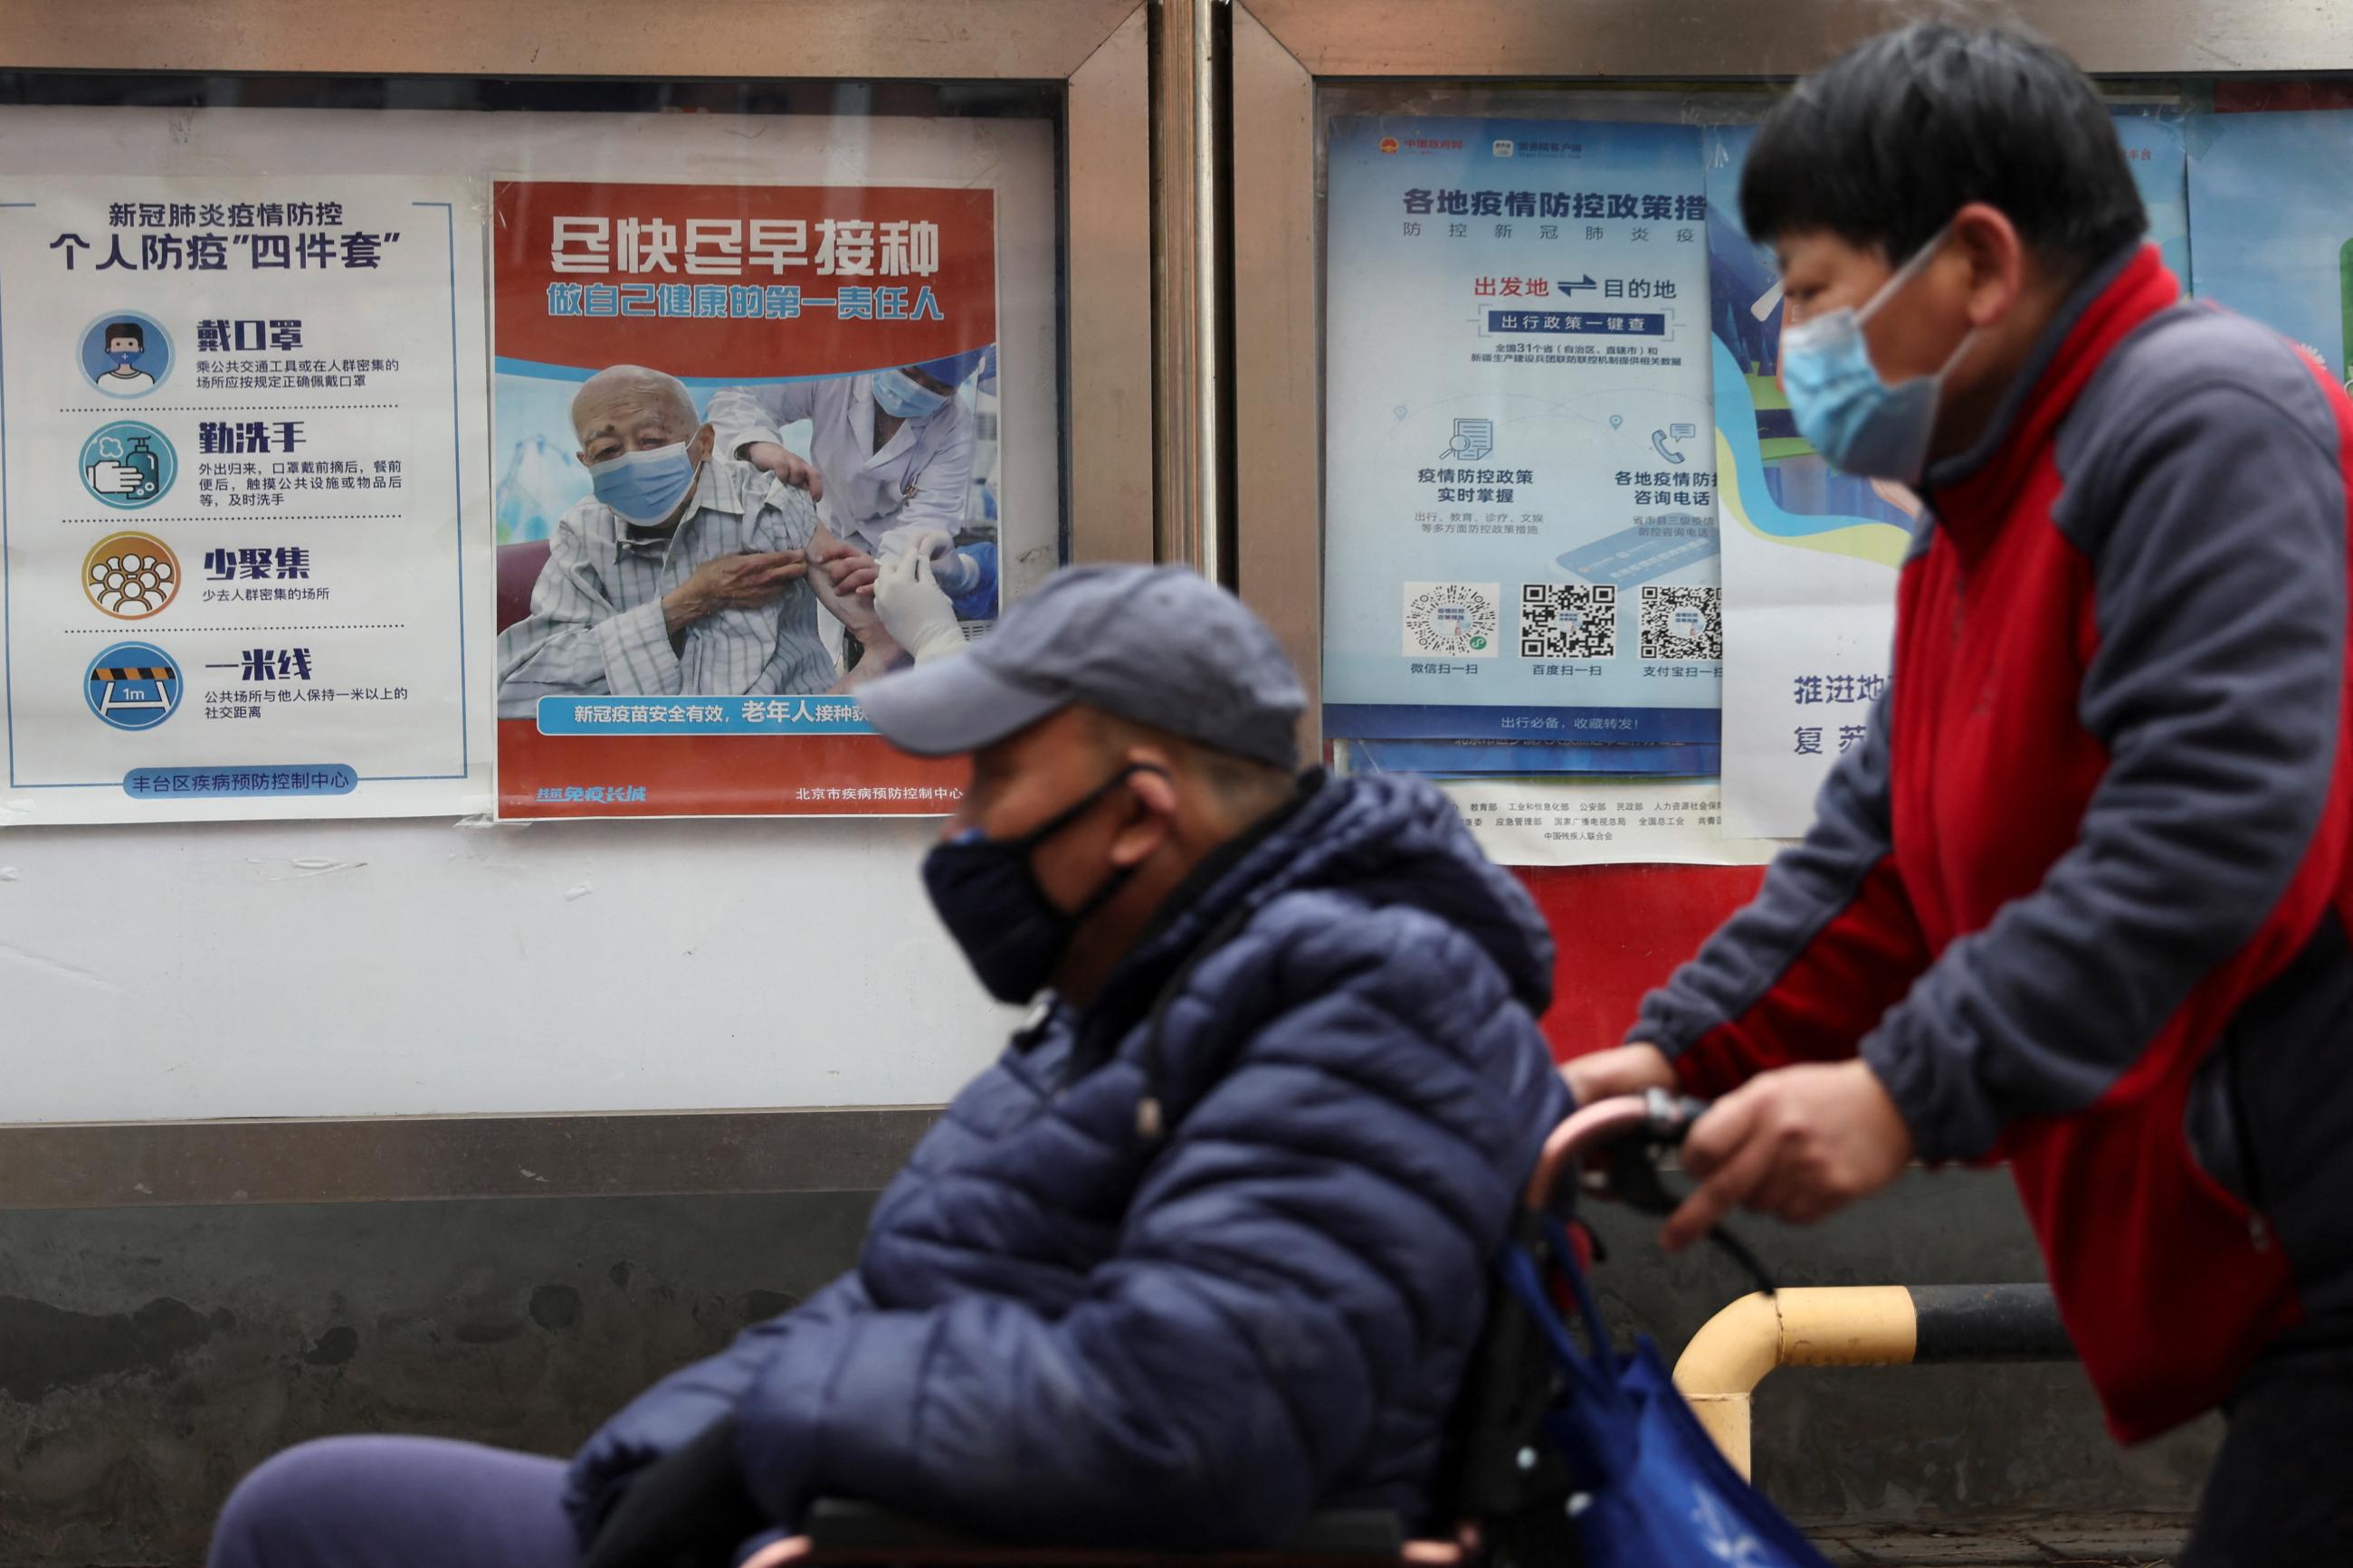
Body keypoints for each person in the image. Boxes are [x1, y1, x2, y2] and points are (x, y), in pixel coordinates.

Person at [208, 565, 1570, 1568]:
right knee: (314, 1509)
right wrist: (659, 1477)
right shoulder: (1144, 997)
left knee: (309, 1525)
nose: (958, 828)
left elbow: (1181, 1425)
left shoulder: (1372, 1002)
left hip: (945, 1536)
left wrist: (773, 1447)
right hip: (883, 1503)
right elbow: (905, 1300)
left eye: (991, 784)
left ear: (1138, 817)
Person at [1566, 24, 2353, 1564]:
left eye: (1807, 287)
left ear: (1976, 265)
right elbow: (1876, 870)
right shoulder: (1976, 522)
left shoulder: (2203, 425)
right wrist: (1670, 1051)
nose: (1786, 338)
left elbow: (2218, 824)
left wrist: (1904, 1089)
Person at [495, 365, 898, 717]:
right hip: (646, 762)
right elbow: (517, 689)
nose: (632, 459)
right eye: (608, 449)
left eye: (652, 440)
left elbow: (884, 643)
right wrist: (685, 602)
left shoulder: (769, 504)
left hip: (778, 751)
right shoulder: (584, 534)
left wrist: (817, 723)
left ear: (704, 442)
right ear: (586, 462)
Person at [705, 349, 995, 614]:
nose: (916, 389)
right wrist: (760, 445)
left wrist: (886, 571)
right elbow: (739, 397)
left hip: (890, 553)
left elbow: (927, 522)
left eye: (936, 388)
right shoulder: (836, 372)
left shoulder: (956, 430)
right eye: (908, 372)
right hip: (822, 526)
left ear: (959, 386)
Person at [94, 320, 156, 394]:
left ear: (140, 349)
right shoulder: (104, 380)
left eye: (130, 344)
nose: (124, 349)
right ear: (108, 349)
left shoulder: (146, 380)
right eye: (118, 344)